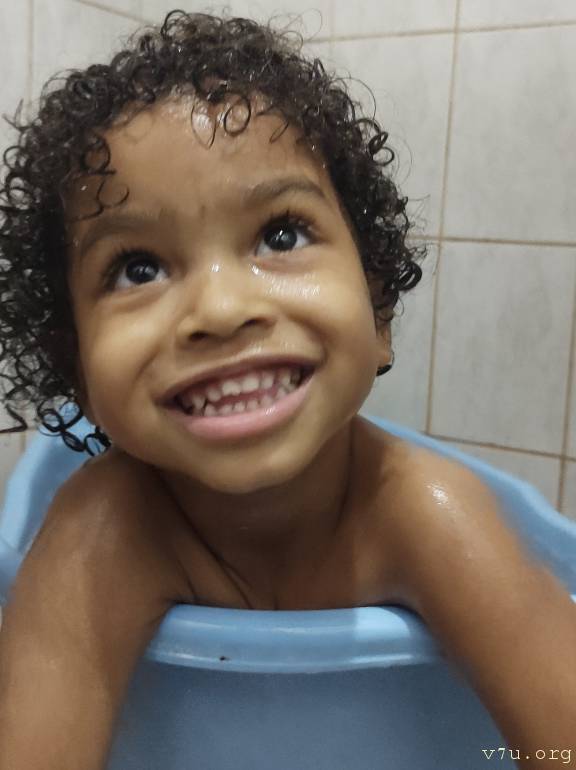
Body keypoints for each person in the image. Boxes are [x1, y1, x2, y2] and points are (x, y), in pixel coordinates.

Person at [0, 10, 574, 770]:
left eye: (280, 235)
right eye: (138, 268)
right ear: (76, 368)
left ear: (379, 312)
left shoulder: (430, 516)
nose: (221, 309)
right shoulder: (104, 532)